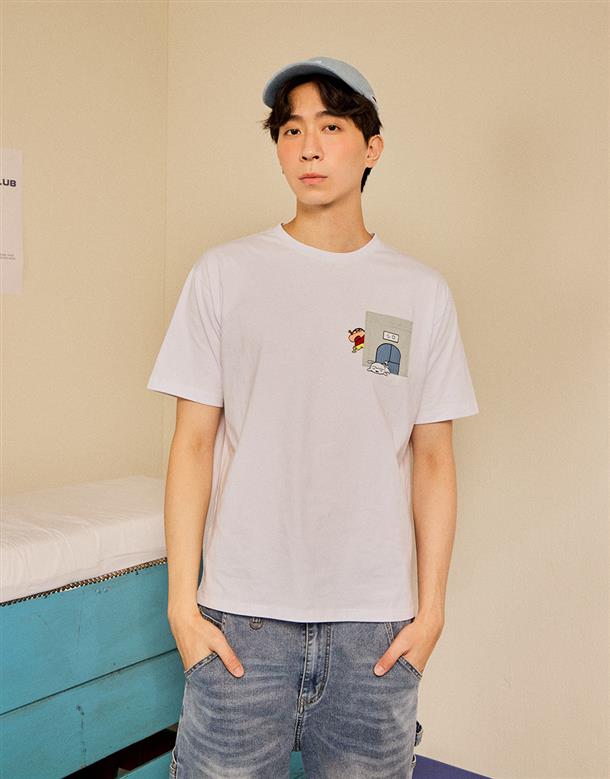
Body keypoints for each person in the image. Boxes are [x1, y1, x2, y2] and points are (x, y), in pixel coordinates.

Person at [147, 55, 479, 779]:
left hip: (376, 632)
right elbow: (193, 443)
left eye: (331, 127)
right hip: (241, 624)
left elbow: (433, 457)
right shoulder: (223, 274)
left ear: (372, 147)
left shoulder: (419, 292)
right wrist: (182, 609)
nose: (308, 147)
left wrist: (432, 612)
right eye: (291, 129)